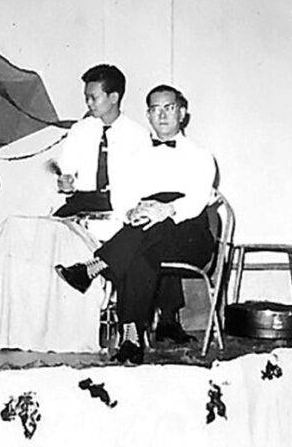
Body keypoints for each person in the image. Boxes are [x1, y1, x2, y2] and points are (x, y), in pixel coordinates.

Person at [55, 85, 217, 364]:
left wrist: (165, 209)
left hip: (190, 235)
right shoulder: (138, 157)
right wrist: (131, 211)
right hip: (147, 236)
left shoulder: (200, 155)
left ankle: (94, 267)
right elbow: (122, 195)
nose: (162, 115)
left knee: (149, 231)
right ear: (148, 116)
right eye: (155, 109)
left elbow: (200, 198)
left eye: (168, 108)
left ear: (182, 113)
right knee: (140, 254)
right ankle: (131, 337)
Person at [53, 64, 149, 218]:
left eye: (94, 98)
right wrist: (66, 183)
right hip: (81, 203)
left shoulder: (138, 135)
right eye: (86, 98)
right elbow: (67, 171)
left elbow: (142, 182)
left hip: (120, 206)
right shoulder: (79, 130)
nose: (88, 103)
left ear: (113, 98)